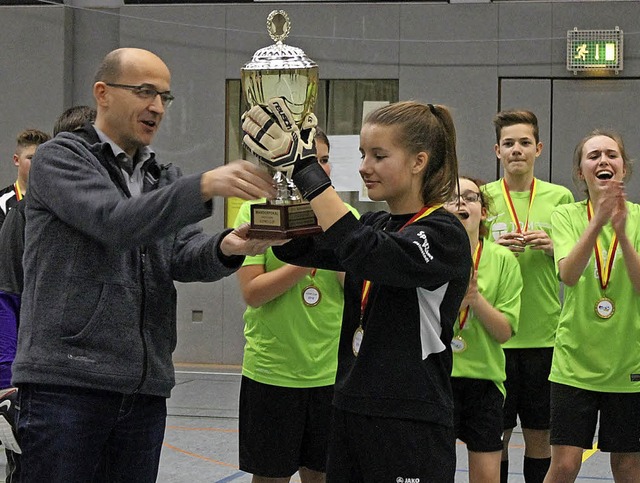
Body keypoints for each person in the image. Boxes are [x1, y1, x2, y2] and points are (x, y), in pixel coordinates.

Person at [11, 47, 279, 482]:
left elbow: (181, 255)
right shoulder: (61, 159)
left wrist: (233, 245)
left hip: (143, 388)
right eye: (144, 92)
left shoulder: (160, 176)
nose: (157, 106)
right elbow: (114, 222)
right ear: (103, 93)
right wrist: (205, 184)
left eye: (164, 97)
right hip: (68, 384)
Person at [243, 99, 472, 482]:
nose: (365, 167)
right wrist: (286, 180)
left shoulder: (443, 234)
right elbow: (299, 247)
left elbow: (365, 252)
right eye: (364, 154)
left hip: (408, 417)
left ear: (419, 161)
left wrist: (308, 170)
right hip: (349, 407)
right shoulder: (377, 222)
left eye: (380, 156)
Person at [234, 129, 358, 483]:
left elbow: (358, 293)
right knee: (271, 476)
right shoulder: (257, 211)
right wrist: (310, 254)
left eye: (322, 161)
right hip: (273, 370)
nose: (317, 169)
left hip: (331, 371)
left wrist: (340, 252)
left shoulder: (345, 216)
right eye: (306, 162)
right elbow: (253, 293)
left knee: (321, 475)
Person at [0, 105, 98, 482]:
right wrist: (6, 379)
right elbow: (7, 297)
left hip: (107, 385)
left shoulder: (124, 214)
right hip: (41, 381)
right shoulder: (21, 215)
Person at [481, 110, 574, 483]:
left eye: (523, 143)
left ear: (538, 148)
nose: (516, 150)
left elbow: (573, 255)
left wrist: (554, 247)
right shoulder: (483, 197)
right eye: (508, 144)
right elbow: (468, 255)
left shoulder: (560, 196)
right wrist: (492, 247)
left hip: (545, 336)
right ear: (497, 151)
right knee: (495, 438)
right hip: (495, 338)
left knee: (540, 437)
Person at [544, 130, 640, 482]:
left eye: (611, 154)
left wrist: (623, 235)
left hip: (629, 363)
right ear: (581, 171)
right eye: (593, 155)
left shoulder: (639, 218)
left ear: (623, 169)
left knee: (628, 467)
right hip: (574, 363)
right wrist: (598, 221)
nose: (603, 160)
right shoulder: (566, 216)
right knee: (566, 464)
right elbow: (568, 275)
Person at [444, 175, 522, 483]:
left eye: (471, 197)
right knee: (435, 471)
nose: (461, 202)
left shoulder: (502, 260)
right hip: (439, 377)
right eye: (452, 197)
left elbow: (504, 332)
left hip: (485, 382)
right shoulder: (430, 256)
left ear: (483, 211)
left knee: (488, 478)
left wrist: (474, 298)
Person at [0, 129, 50, 231]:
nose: (36, 163)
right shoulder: (2, 201)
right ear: (16, 160)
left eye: (41, 157)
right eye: (31, 158)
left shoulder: (55, 200)